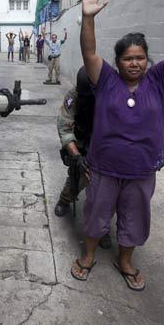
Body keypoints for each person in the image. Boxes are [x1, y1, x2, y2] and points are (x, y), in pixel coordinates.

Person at [70, 0, 164, 291]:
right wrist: (88, 18)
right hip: (104, 167)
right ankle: (88, 256)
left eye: (140, 57)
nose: (135, 63)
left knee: (135, 217)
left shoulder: (158, 81)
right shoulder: (106, 81)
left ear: (146, 60)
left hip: (141, 169)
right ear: (118, 62)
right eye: (128, 58)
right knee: (96, 213)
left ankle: (125, 260)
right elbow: (89, 51)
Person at [56, 67, 112, 249]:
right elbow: (64, 127)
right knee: (77, 178)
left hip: (105, 147)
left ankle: (102, 229)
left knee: (105, 192)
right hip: (81, 142)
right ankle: (65, 199)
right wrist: (76, 155)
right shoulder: (73, 96)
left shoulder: (112, 94)